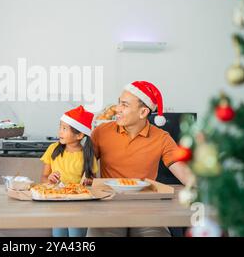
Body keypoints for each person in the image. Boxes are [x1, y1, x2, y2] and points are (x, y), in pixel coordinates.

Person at [87, 81, 195, 237]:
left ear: (143, 112)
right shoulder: (100, 132)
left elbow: (186, 176)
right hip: (108, 207)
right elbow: (84, 166)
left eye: (124, 105)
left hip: (148, 209)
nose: (117, 109)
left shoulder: (162, 138)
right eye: (119, 103)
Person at [40, 105, 98, 237]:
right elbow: (43, 177)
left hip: (79, 205)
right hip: (57, 202)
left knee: (76, 234)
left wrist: (89, 181)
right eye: (60, 127)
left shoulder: (87, 155)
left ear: (79, 135)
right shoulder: (53, 149)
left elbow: (92, 181)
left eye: (64, 129)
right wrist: (49, 180)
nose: (60, 132)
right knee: (58, 235)